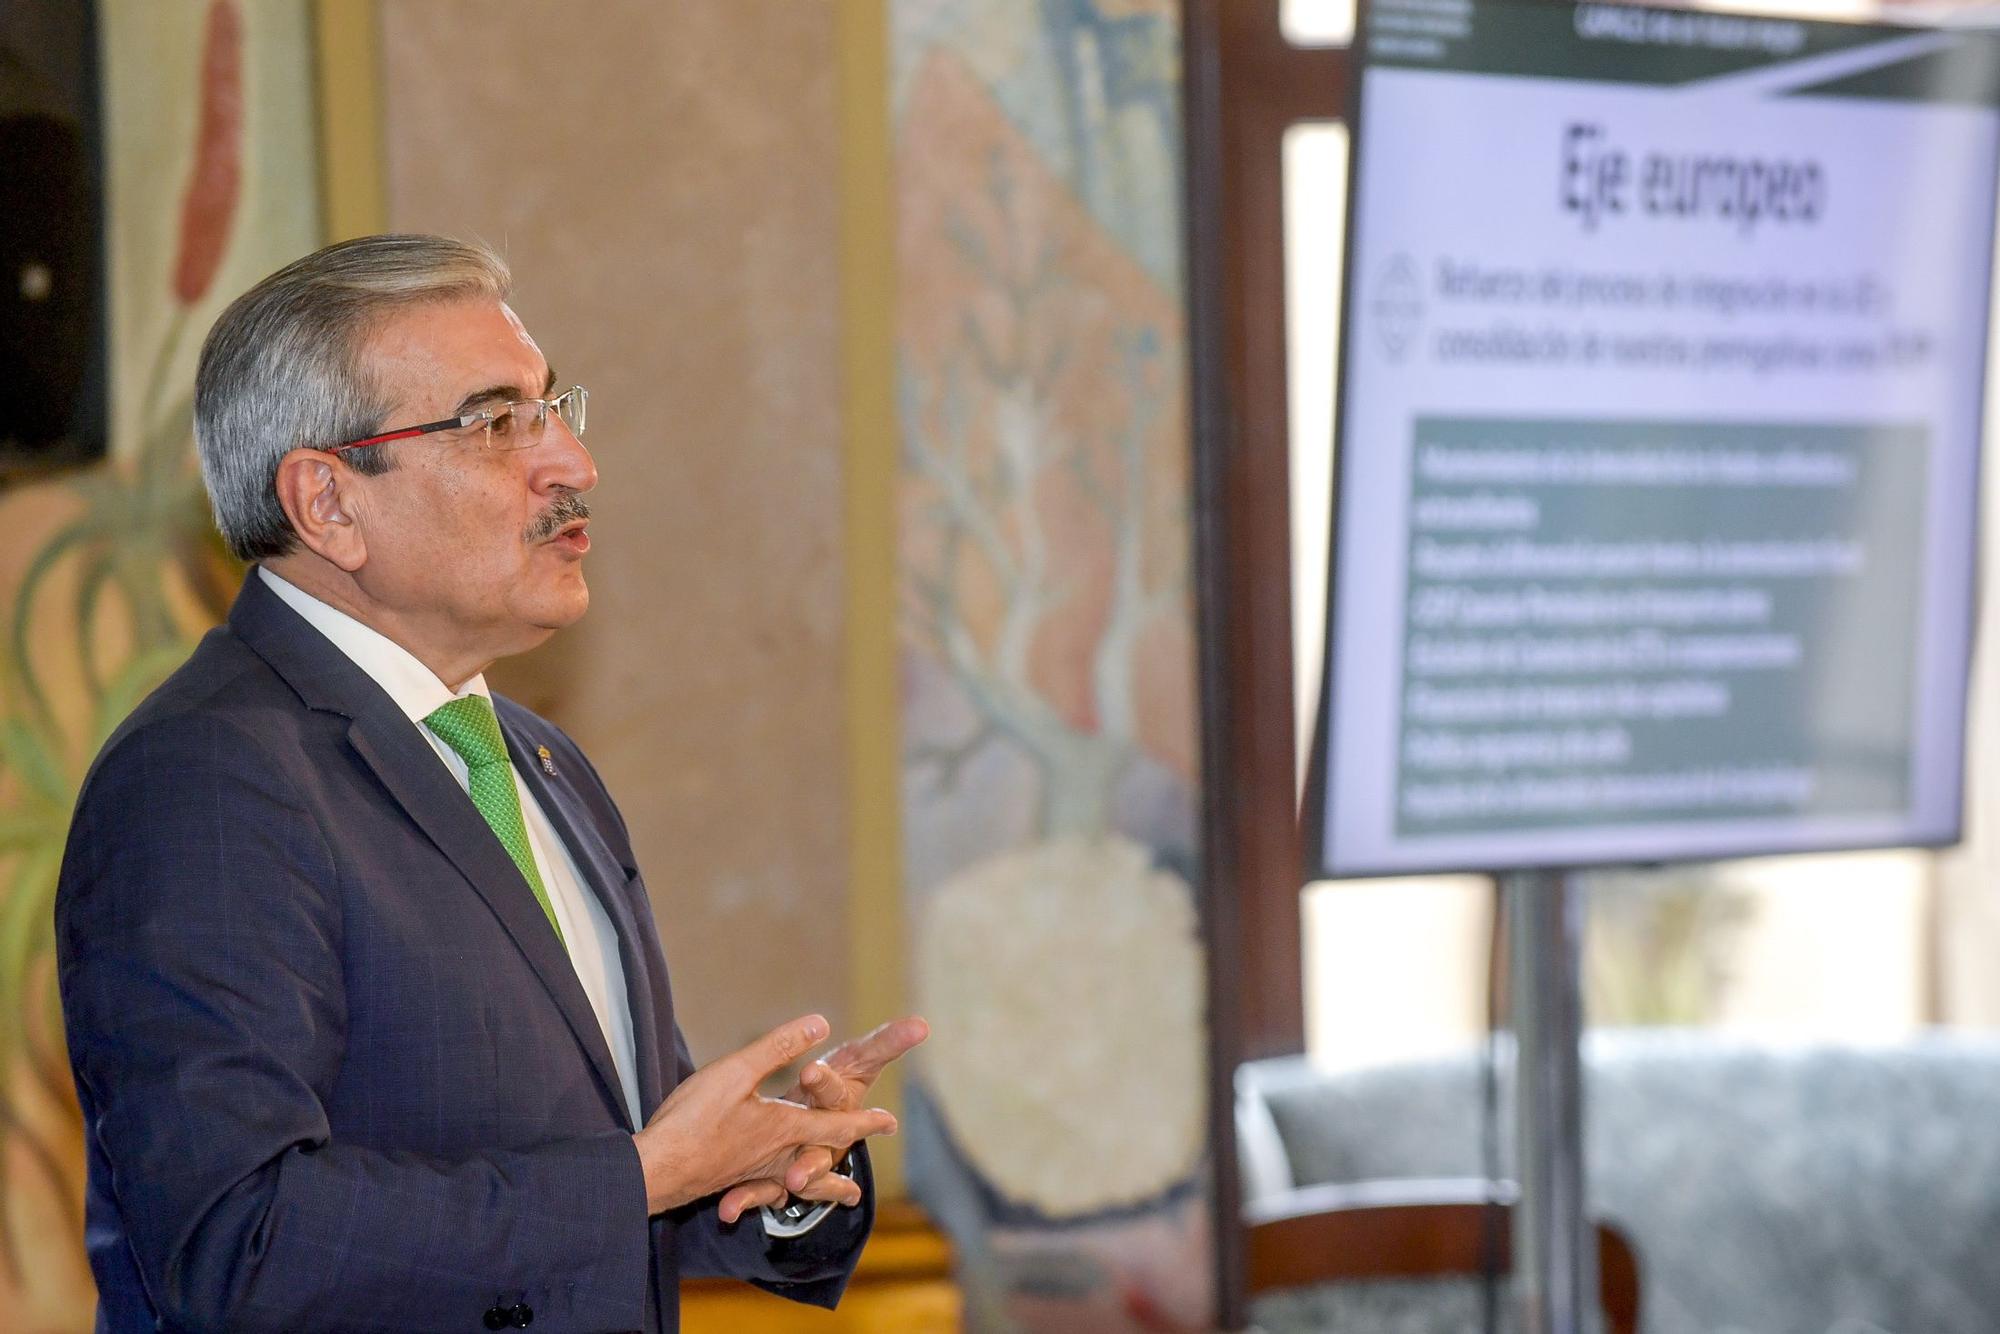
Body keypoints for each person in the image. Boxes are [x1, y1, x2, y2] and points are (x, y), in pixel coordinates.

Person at [54, 233, 927, 1333]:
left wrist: (769, 1171)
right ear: (327, 503)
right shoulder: (207, 779)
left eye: (554, 404)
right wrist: (642, 1176)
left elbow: (599, 1166)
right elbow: (239, 1239)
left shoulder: (530, 757)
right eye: (497, 421)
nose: (571, 461)